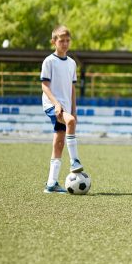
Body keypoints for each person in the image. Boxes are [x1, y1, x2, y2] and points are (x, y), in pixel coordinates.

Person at [41, 26, 84, 193]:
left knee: (59, 142)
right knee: (70, 122)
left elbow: (72, 89)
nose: (65, 43)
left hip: (65, 106)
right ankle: (75, 161)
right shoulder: (49, 61)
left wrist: (74, 110)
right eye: (61, 41)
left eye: (67, 40)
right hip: (52, 105)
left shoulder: (72, 63)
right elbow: (44, 86)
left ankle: (51, 183)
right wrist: (57, 104)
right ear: (54, 42)